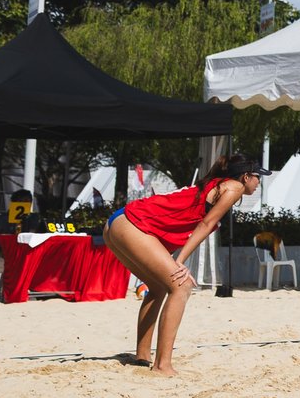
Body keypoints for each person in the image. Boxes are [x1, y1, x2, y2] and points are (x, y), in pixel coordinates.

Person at [102, 155, 262, 374]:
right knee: (182, 284)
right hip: (133, 224)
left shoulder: (216, 184)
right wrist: (179, 262)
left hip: (118, 224)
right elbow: (206, 224)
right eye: (257, 177)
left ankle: (142, 356)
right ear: (245, 176)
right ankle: (162, 365)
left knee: (159, 287)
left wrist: (176, 261)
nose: (258, 182)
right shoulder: (233, 188)